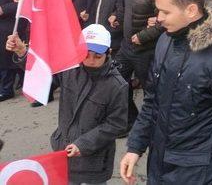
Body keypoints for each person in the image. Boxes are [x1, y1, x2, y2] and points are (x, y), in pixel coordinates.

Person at [120, 0, 212, 184]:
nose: (159, 18)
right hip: (159, 163)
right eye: (158, 11)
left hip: (199, 173)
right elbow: (151, 101)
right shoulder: (165, 40)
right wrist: (135, 147)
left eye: (165, 12)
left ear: (191, 10)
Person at [8, 24, 128, 185]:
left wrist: (84, 144)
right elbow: (43, 78)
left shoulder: (117, 85)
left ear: (109, 53)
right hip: (63, 150)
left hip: (95, 160)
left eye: (97, 56)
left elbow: (116, 124)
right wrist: (22, 52)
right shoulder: (69, 68)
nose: (91, 60)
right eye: (86, 54)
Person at [113, 0, 163, 129]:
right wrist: (116, 17)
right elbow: (122, 6)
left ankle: (152, 126)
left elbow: (163, 22)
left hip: (145, 51)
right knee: (116, 81)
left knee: (150, 91)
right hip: (126, 48)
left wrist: (142, 37)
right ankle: (130, 120)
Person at [0, 0, 27, 102]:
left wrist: (4, 9)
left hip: (12, 24)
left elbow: (25, 2)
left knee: (8, 57)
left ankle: (6, 89)